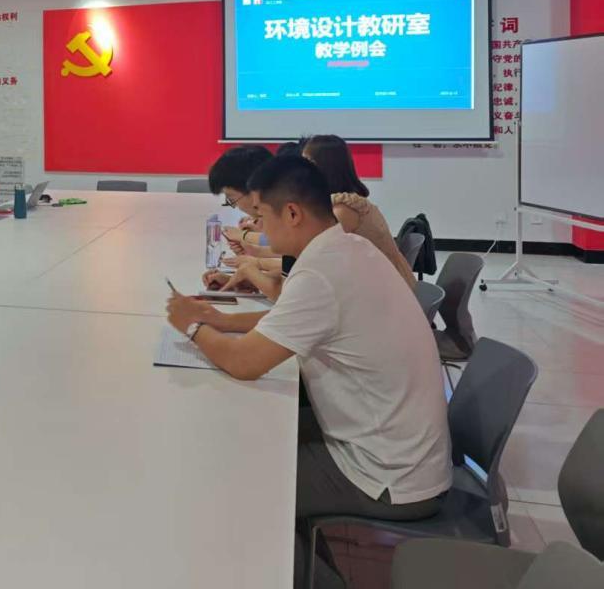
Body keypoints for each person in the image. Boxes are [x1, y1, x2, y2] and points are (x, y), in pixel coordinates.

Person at [166, 156, 451, 589]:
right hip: (398, 449)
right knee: (254, 437)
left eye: (262, 218)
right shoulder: (347, 249)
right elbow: (291, 319)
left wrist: (192, 326)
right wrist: (220, 320)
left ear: (292, 213)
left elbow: (245, 363)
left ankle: (301, 576)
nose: (259, 231)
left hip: (386, 475)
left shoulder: (321, 272)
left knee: (241, 480)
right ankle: (306, 563)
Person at [304, 134, 416, 291]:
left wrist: (267, 262)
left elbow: (311, 254)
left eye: (306, 162)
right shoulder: (344, 202)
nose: (301, 170)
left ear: (323, 167)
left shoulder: (344, 210)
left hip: (388, 293)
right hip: (378, 286)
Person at [204, 145, 287, 299]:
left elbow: (285, 292)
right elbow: (287, 274)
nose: (235, 206)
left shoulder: (292, 221)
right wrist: (245, 278)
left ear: (255, 189)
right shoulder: (281, 217)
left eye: (232, 199)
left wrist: (256, 265)